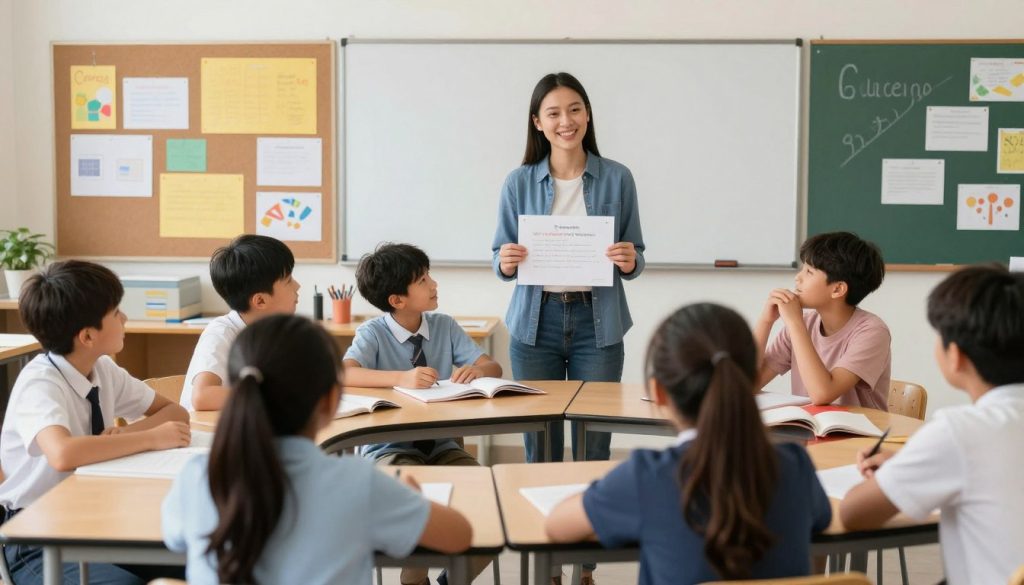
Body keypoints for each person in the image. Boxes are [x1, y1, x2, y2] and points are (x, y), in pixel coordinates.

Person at [163, 314, 472, 584]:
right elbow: (460, 535)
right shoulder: (358, 483)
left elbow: (174, 539)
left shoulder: (197, 477)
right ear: (330, 402)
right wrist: (414, 501)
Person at [545, 303, 831, 585]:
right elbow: (822, 520)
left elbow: (557, 526)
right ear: (750, 381)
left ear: (658, 392)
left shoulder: (646, 477)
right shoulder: (796, 467)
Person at [0, 260, 191, 585]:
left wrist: (127, 433)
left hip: (98, 516)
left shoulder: (103, 369)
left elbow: (175, 412)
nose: (125, 318)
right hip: (37, 533)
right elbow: (63, 454)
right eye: (116, 313)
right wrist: (150, 438)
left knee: (208, 562)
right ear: (88, 335)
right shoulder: (41, 383)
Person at [492, 72, 646, 467]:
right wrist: (505, 262)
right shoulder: (518, 182)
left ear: (588, 114)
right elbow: (499, 256)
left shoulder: (618, 177)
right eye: (554, 113)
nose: (566, 121)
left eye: (575, 110)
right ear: (537, 122)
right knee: (539, 441)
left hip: (598, 324)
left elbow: (636, 254)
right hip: (535, 322)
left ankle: (588, 506)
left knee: (593, 441)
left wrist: (630, 260)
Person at [840, 264, 1024, 585]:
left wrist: (902, 469)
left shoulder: (959, 431)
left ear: (955, 356)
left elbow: (853, 514)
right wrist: (912, 461)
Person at [342, 242, 500, 585]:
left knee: (493, 508)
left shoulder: (444, 326)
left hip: (444, 449)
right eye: (423, 280)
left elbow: (492, 366)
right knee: (415, 506)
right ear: (397, 300)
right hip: (389, 451)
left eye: (430, 276)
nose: (434, 284)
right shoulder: (373, 333)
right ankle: (413, 580)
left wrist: (479, 370)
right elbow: (345, 373)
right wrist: (401, 378)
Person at [756, 231, 890, 408]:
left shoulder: (872, 332)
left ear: (838, 289)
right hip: (810, 425)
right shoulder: (803, 323)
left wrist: (795, 323)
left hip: (860, 426)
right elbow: (746, 384)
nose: (798, 277)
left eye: (809, 272)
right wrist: (766, 322)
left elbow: (822, 394)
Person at [180, 234, 300, 411]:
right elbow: (202, 397)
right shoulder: (220, 333)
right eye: (289, 281)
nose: (297, 285)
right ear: (260, 301)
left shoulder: (273, 332)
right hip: (208, 428)